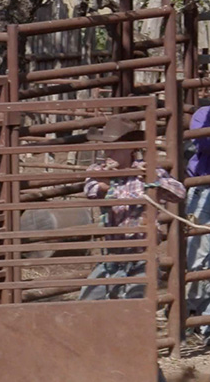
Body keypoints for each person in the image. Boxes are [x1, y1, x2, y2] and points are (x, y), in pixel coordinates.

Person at [79, 117, 185, 301]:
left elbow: (179, 193)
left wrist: (152, 180)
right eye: (107, 146)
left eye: (114, 146)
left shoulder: (149, 171)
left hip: (142, 255)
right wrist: (107, 180)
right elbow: (91, 190)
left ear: (130, 147)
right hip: (111, 255)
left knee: (136, 304)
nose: (108, 152)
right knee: (87, 301)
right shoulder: (99, 170)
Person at [185, 103, 210, 346]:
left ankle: (208, 324)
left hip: (205, 189)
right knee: (196, 254)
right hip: (202, 188)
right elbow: (204, 143)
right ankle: (189, 310)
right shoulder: (202, 115)